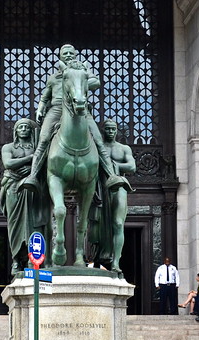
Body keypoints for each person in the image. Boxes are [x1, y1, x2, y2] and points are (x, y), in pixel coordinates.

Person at [19, 44, 125, 193]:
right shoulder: (54, 77)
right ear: (60, 57)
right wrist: (40, 109)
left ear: (75, 55)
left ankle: (111, 176)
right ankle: (33, 176)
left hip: (80, 110)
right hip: (56, 109)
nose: (68, 55)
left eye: (71, 53)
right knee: (43, 139)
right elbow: (45, 97)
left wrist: (79, 82)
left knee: (99, 140)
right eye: (65, 54)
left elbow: (96, 82)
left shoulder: (83, 70)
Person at [0, 118, 48, 274]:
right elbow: (8, 164)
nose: (23, 129)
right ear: (15, 131)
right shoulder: (8, 147)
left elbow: (46, 164)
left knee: (34, 223)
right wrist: (31, 159)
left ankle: (33, 258)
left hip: (33, 189)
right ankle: (16, 259)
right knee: (15, 225)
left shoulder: (37, 147)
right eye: (20, 127)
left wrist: (32, 170)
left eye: (26, 127)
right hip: (13, 187)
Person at [88, 119, 136, 272]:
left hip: (118, 185)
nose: (110, 132)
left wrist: (114, 165)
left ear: (116, 131)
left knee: (118, 223)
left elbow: (132, 166)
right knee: (95, 226)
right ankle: (95, 259)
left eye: (112, 129)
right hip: (99, 187)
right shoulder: (96, 147)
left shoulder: (123, 148)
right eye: (107, 129)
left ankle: (116, 262)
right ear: (103, 131)